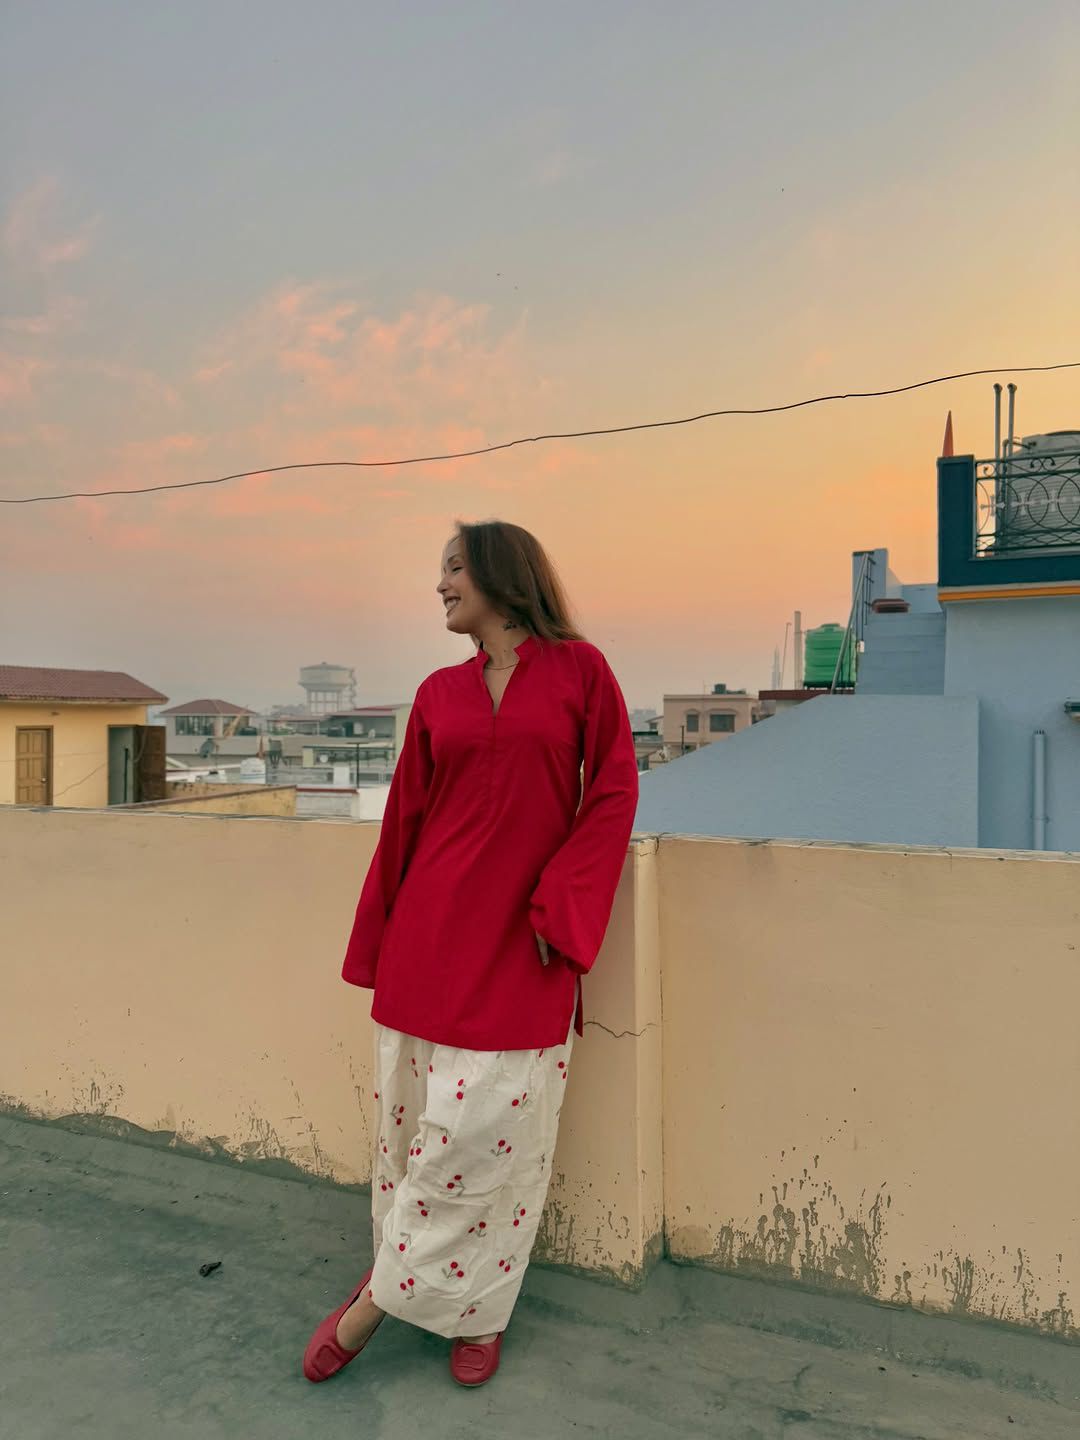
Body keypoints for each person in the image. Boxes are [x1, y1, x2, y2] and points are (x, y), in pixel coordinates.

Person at [303, 519, 638, 1389]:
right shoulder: (437, 695)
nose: (440, 586)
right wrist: (377, 941)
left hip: (528, 951)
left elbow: (610, 797)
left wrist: (559, 910)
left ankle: (383, 1305)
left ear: (499, 574)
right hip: (428, 945)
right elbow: (404, 822)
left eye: (454, 569)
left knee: (494, 1144)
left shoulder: (581, 673)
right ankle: (454, 1306)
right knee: (412, 1143)